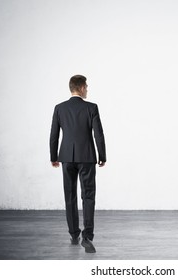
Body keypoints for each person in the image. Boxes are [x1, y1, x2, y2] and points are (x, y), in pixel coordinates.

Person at [49, 75, 106, 253]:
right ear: (81, 88)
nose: (87, 89)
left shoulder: (59, 108)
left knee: (70, 196)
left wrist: (53, 156)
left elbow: (53, 135)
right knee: (88, 196)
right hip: (87, 157)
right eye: (86, 86)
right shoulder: (91, 108)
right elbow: (98, 134)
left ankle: (74, 234)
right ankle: (87, 236)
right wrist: (102, 155)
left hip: (66, 156)